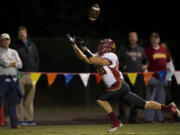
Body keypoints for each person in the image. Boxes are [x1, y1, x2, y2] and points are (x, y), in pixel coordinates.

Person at [67, 36, 180, 133]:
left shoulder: (112, 56)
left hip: (119, 85)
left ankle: (116, 122)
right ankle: (169, 108)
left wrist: (84, 46)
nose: (101, 47)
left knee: (100, 99)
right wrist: (74, 45)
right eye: (101, 45)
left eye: (104, 45)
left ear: (110, 47)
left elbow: (91, 59)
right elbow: (84, 58)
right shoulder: (97, 55)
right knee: (144, 104)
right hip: (120, 87)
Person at [117, 32, 148, 123]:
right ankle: (122, 117)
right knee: (123, 96)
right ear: (128, 38)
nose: (132, 38)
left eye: (134, 37)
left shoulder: (141, 49)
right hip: (126, 76)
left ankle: (133, 118)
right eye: (130, 37)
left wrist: (145, 65)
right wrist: (123, 66)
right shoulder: (123, 48)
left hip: (138, 77)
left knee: (136, 98)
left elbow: (146, 60)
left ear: (137, 38)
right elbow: (118, 60)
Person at [13, 26, 40, 126]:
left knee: (30, 98)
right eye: (20, 33)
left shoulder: (33, 45)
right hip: (20, 74)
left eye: (23, 33)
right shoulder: (16, 46)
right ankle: (20, 119)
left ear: (26, 34)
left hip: (32, 74)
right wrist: (17, 71)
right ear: (18, 35)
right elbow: (14, 60)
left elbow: (37, 59)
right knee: (20, 97)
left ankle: (29, 119)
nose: (22, 35)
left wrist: (35, 69)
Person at [144, 33, 171, 122]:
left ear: (159, 40)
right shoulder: (147, 50)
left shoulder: (163, 49)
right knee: (150, 100)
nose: (154, 40)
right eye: (152, 38)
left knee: (160, 100)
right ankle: (149, 119)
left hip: (162, 78)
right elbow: (144, 63)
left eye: (156, 38)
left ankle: (159, 118)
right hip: (152, 77)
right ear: (151, 40)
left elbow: (168, 62)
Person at [0, 33, 23, 128]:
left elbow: (20, 65)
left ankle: (14, 123)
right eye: (4, 40)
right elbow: (4, 64)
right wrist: (14, 62)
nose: (6, 41)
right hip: (2, 79)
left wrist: (9, 62)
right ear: (1, 41)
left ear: (9, 41)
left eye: (7, 39)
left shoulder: (14, 51)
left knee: (13, 102)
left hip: (13, 79)